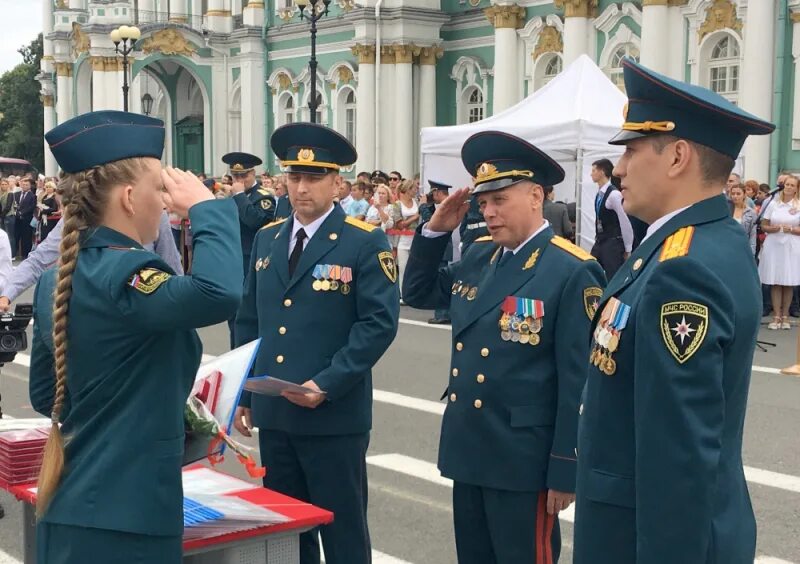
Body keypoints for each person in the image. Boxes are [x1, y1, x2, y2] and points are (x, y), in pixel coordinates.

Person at [573, 57, 775, 564]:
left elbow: (678, 457)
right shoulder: (700, 244)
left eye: (632, 149)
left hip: (646, 537)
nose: (618, 167)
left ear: (678, 155)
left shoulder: (683, 267)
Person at [29, 110, 242, 564]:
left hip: (70, 501)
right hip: (129, 512)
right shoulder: (130, 271)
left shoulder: (55, 279)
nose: (165, 203)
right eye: (157, 189)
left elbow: (48, 393)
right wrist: (207, 209)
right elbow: (219, 293)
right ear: (128, 197)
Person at [403, 131, 605, 564]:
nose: (488, 213)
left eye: (500, 201)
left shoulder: (570, 270)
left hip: (523, 460)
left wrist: (565, 466)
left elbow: (578, 383)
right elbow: (418, 292)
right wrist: (435, 231)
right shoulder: (479, 256)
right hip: (470, 447)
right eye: (483, 203)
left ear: (536, 196)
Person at [233, 122, 399, 564]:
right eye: (294, 177)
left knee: (341, 532)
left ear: (337, 184)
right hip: (277, 410)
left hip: (331, 413)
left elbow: (378, 324)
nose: (301, 187)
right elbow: (249, 318)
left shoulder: (363, 241)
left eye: (314, 177)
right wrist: (245, 387)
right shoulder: (268, 238)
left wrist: (327, 382)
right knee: (287, 534)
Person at [0, 209, 183, 311]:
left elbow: (174, 276)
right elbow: (39, 260)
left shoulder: (155, 215)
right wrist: (6, 295)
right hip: (91, 318)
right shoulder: (77, 216)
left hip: (144, 320)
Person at [222, 152, 276, 346]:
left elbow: (255, 221)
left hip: (252, 260)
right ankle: (234, 354)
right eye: (236, 176)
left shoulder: (262, 197)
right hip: (232, 260)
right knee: (233, 314)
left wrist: (238, 196)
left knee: (249, 313)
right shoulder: (231, 198)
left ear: (253, 174)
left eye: (244, 175)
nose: (240, 180)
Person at [758, 174, 800, 330]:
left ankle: (785, 316)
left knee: (788, 281)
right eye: (787, 184)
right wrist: (772, 229)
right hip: (774, 243)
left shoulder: (799, 204)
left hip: (792, 244)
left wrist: (794, 230)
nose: (789, 187)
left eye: (792, 185)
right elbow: (764, 225)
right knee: (775, 279)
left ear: (797, 189)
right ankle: (776, 316)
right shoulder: (773, 204)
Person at [590, 158, 634, 278]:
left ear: (602, 172)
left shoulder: (614, 195)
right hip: (600, 241)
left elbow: (624, 221)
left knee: (613, 276)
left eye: (594, 170)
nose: (591, 173)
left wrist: (628, 248)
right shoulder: (599, 194)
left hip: (612, 242)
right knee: (590, 269)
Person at [420, 181, 453, 325]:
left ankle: (442, 314)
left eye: (433, 193)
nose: (432, 196)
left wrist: (423, 206)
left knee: (440, 281)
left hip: (441, 248)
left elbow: (432, 222)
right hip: (443, 247)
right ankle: (444, 312)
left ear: (438, 192)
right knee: (443, 280)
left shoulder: (446, 206)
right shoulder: (446, 204)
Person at [393, 179, 420, 295]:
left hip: (416, 239)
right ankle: (403, 294)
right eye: (414, 188)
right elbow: (400, 225)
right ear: (409, 189)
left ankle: (414, 293)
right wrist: (415, 217)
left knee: (415, 269)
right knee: (403, 268)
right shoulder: (397, 205)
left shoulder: (417, 202)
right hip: (403, 240)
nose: (416, 190)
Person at [730, 184, 757, 255]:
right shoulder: (726, 211)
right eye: (733, 194)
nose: (735, 196)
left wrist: (751, 253)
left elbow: (753, 235)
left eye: (738, 194)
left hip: (743, 248)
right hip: (727, 246)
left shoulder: (751, 212)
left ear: (744, 195)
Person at [14, 177, 36, 259]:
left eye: (26, 185)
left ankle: (26, 254)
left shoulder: (32, 196)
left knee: (26, 237)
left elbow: (31, 207)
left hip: (27, 219)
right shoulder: (17, 194)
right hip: (17, 219)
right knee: (16, 236)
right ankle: (16, 253)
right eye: (23, 185)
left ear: (30, 186)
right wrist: (17, 212)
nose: (24, 186)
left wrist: (21, 213)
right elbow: (15, 204)